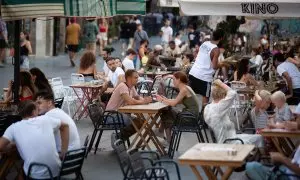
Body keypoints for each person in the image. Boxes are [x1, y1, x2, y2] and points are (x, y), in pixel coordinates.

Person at [0, 100, 69, 179]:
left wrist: (9, 147)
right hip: (56, 172)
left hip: (35, 176)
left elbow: (1, 146)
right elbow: (65, 126)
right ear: (33, 112)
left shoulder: (13, 127)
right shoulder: (46, 119)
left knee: (20, 170)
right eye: (37, 110)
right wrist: (64, 151)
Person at [204, 79, 263, 147]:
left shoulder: (208, 107)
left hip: (228, 138)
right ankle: (259, 155)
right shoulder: (219, 107)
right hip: (229, 142)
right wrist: (221, 84)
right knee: (259, 138)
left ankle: (255, 155)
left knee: (258, 137)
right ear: (224, 96)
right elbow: (232, 93)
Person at [155, 72, 199, 145]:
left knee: (166, 112)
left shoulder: (184, 90)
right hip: (190, 115)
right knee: (167, 111)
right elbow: (178, 102)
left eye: (174, 79)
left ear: (179, 80)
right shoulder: (186, 87)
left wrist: (162, 100)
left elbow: (174, 103)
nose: (173, 81)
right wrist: (166, 99)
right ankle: (162, 133)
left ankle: (166, 137)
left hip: (189, 117)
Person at [105, 70, 152, 139]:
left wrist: (146, 100)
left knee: (141, 122)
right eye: (135, 78)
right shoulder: (122, 86)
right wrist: (143, 102)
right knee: (138, 123)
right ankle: (118, 137)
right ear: (129, 78)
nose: (137, 79)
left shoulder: (131, 87)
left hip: (120, 115)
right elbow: (130, 101)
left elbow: (138, 97)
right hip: (111, 116)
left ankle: (119, 137)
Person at [189, 29, 224, 107]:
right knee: (205, 99)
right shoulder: (216, 50)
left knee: (190, 96)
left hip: (193, 72)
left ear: (212, 36)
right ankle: (203, 117)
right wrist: (222, 64)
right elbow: (214, 66)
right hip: (204, 77)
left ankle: (191, 114)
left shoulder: (205, 43)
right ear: (221, 38)